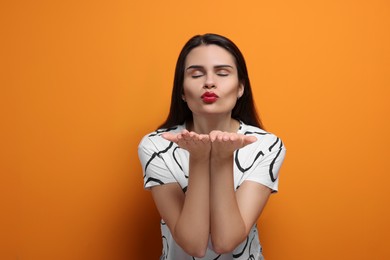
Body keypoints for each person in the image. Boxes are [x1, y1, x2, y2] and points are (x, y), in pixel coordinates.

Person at [138, 33, 286, 260]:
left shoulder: (265, 146)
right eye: (196, 74)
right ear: (182, 91)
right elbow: (194, 245)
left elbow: (225, 241)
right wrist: (198, 158)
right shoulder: (156, 145)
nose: (209, 82)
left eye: (222, 73)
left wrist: (221, 158)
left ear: (240, 88)